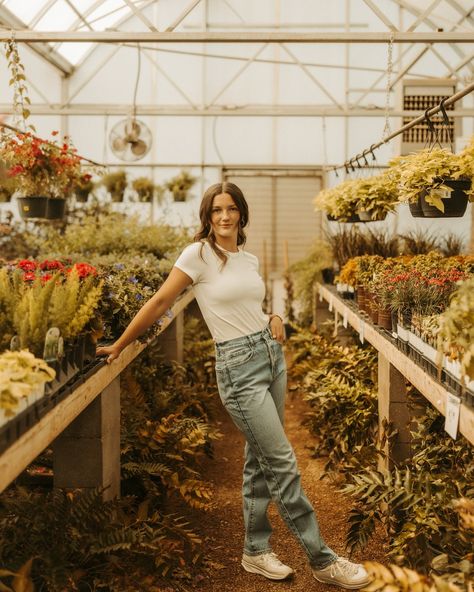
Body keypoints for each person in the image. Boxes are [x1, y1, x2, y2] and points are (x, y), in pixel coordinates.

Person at [97, 182, 370, 590]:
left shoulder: (249, 258)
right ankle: (322, 559)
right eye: (216, 210)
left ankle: (256, 551)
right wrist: (121, 344)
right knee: (282, 463)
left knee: (259, 461)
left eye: (231, 209)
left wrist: (274, 315)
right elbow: (159, 303)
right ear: (207, 216)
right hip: (239, 370)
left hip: (271, 357)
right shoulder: (198, 255)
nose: (224, 217)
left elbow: (249, 305)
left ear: (242, 213)